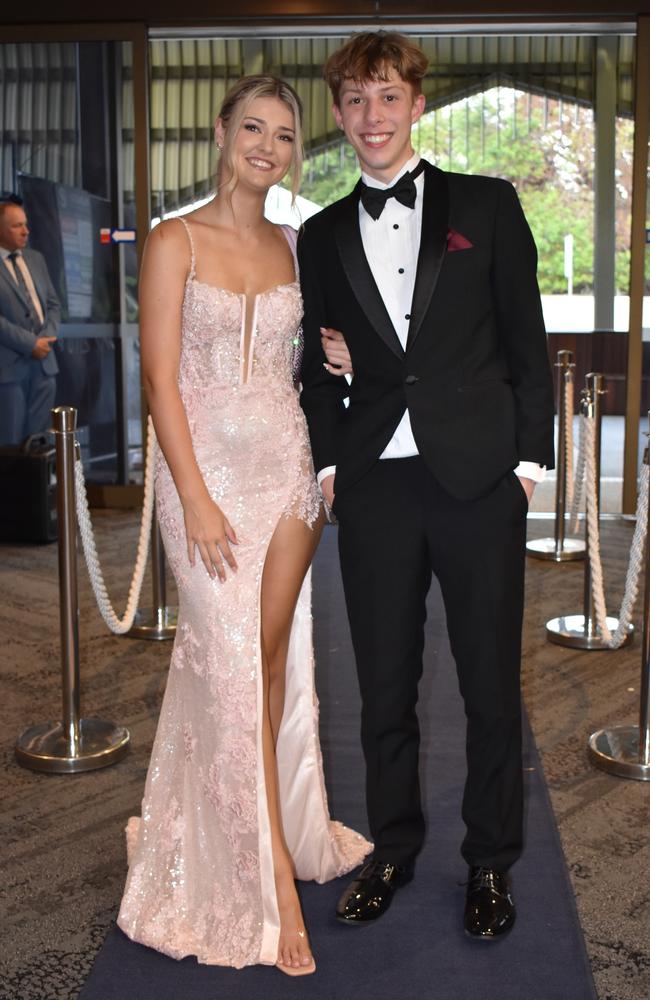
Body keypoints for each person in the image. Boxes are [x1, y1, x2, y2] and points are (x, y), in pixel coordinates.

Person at [299, 31, 555, 940]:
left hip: (480, 480)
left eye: (388, 96)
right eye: (355, 101)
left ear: (416, 102)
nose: (372, 117)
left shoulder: (487, 204)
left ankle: (491, 864)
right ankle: (393, 849)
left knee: (490, 686)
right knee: (383, 686)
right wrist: (331, 466)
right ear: (339, 114)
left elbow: (529, 347)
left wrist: (527, 469)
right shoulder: (321, 235)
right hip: (374, 485)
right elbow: (312, 365)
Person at [117, 75, 370, 974]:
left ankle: (233, 826)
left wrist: (340, 356)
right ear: (222, 132)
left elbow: (313, 359)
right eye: (252, 127)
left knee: (268, 663)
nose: (268, 145)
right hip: (209, 489)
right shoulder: (172, 240)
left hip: (291, 480)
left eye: (286, 134)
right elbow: (158, 381)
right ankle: (263, 895)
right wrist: (191, 495)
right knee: (228, 668)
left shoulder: (300, 246)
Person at [0, 194, 60, 446]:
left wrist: (47, 336)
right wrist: (30, 343)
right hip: (9, 369)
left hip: (45, 366)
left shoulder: (36, 259)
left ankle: (39, 487)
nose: (26, 231)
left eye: (25, 224)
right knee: (12, 445)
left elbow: (53, 304)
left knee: (40, 444)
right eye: (17, 226)